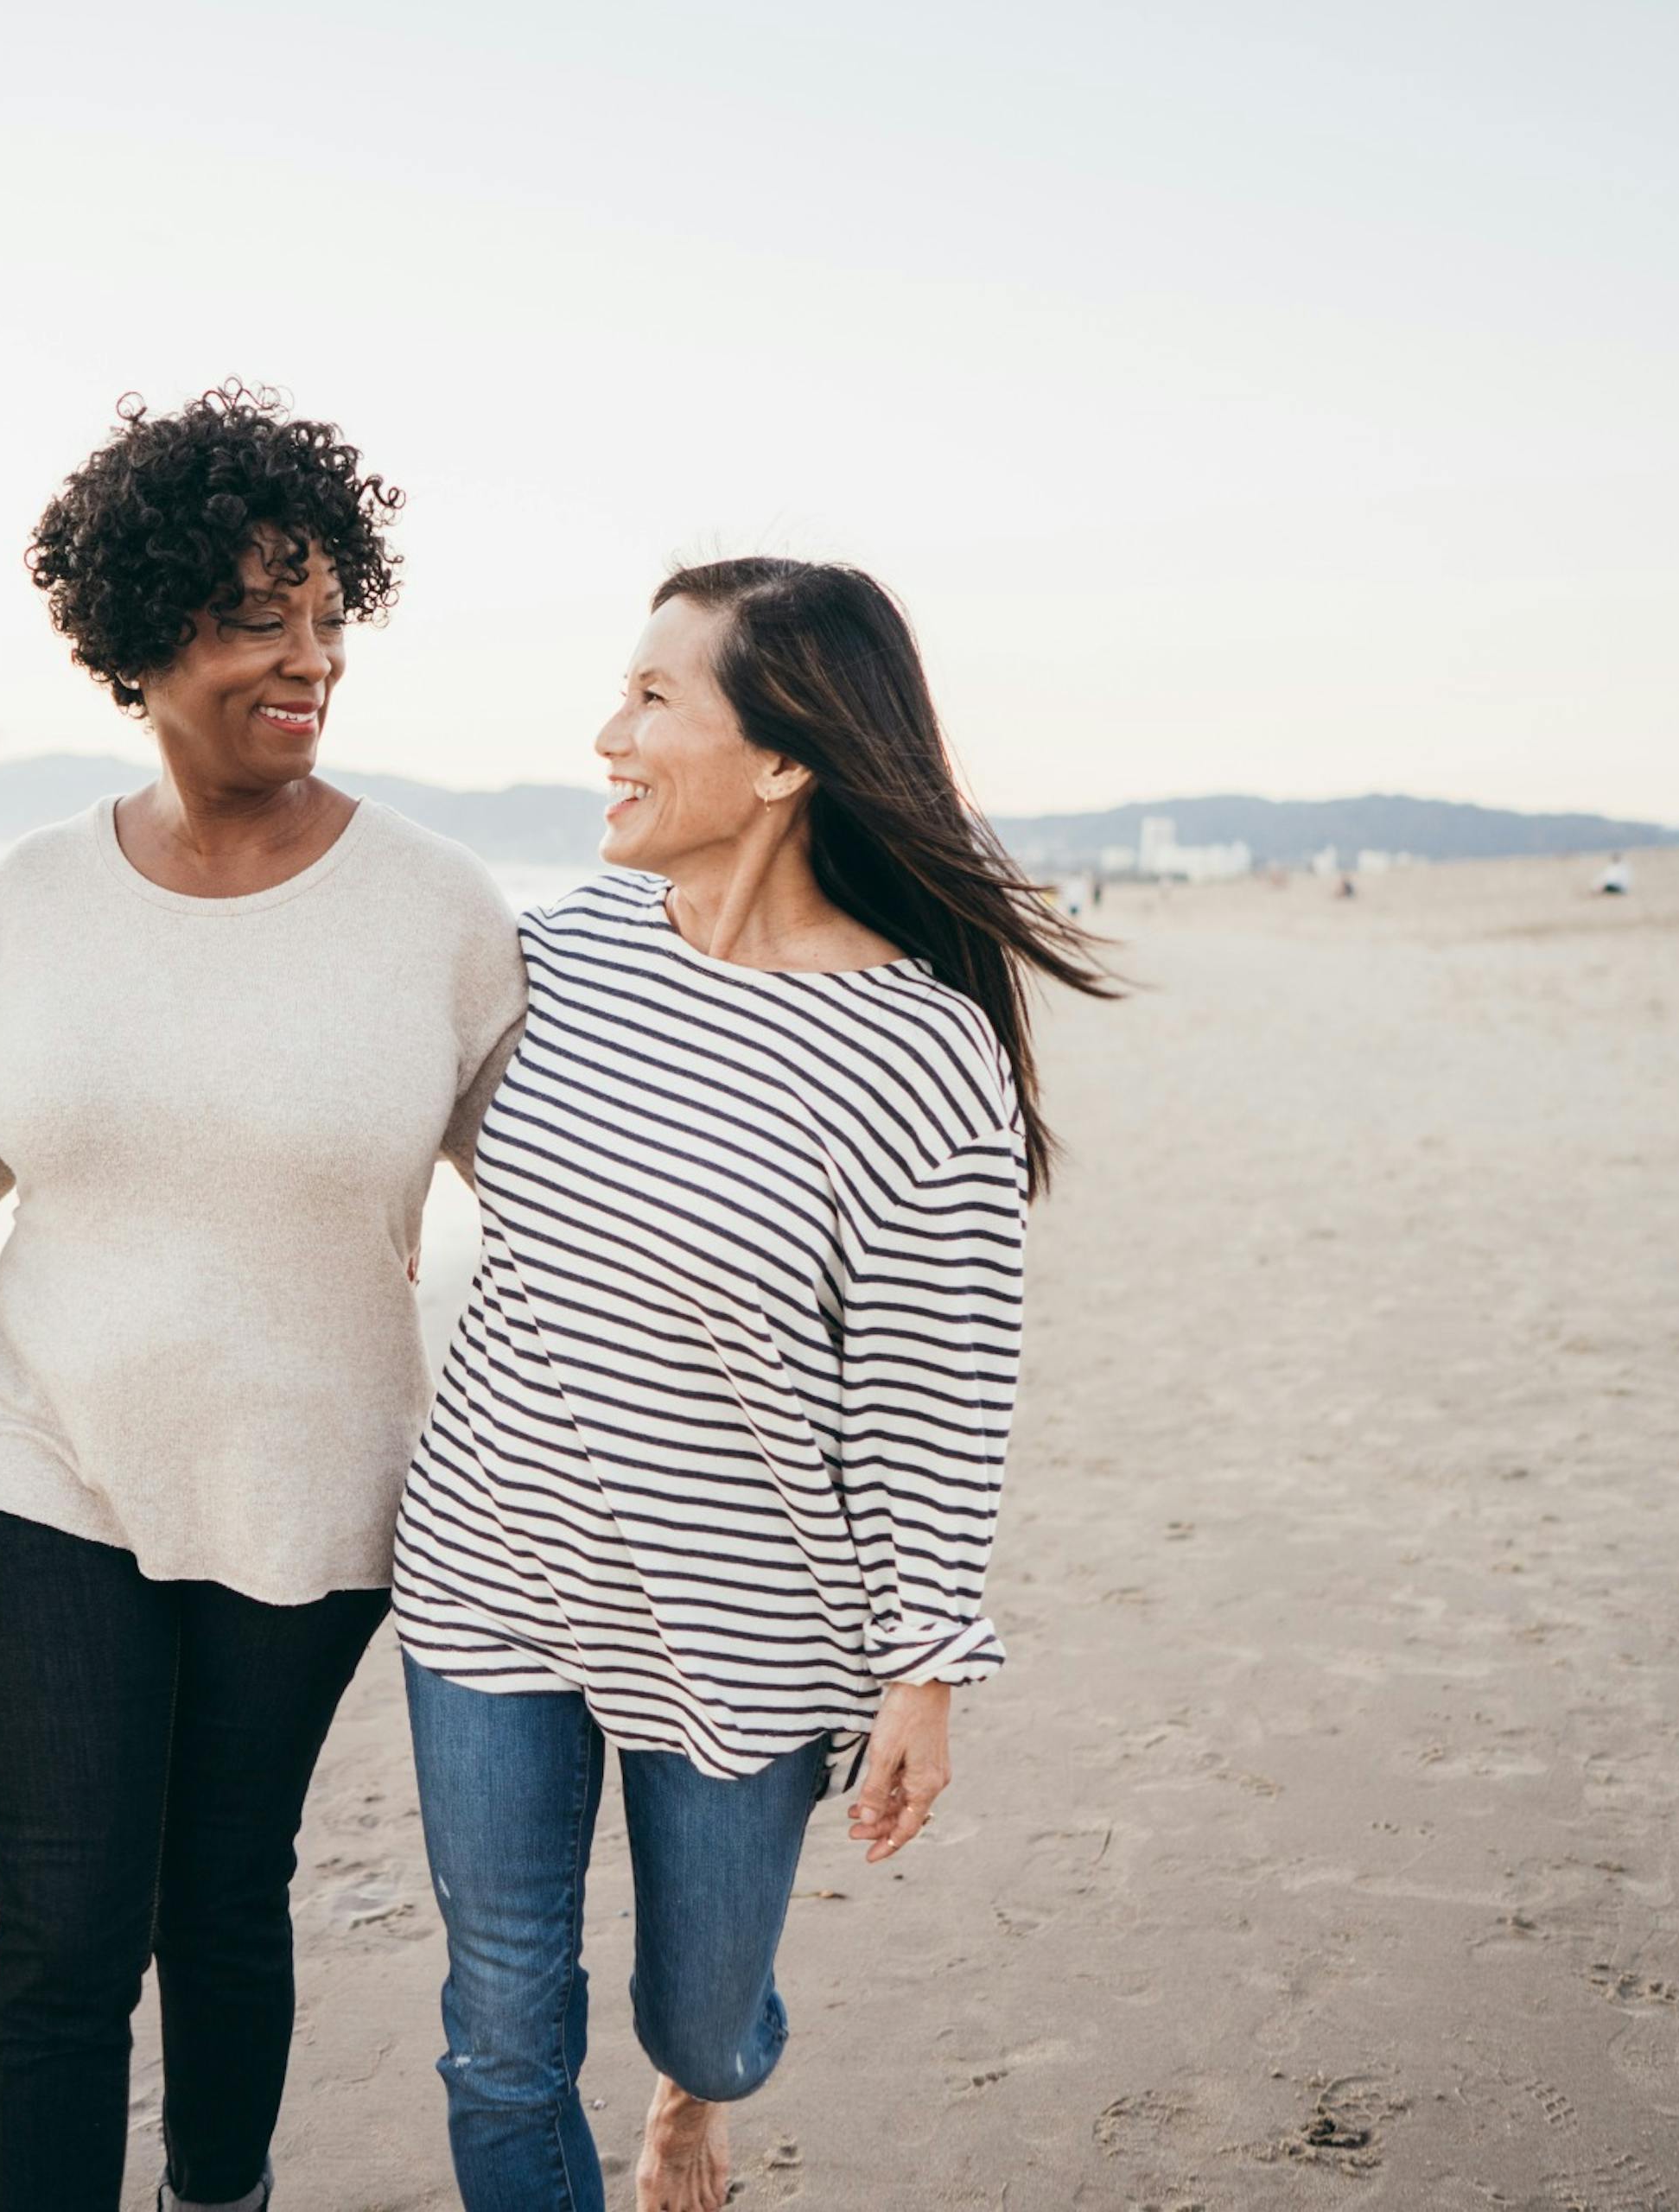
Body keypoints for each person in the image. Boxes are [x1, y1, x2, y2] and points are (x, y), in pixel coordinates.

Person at [390, 557, 1111, 2212]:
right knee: (500, 2030)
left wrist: (927, 1667)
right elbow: (344, 1099)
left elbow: (939, 1391)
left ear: (784, 760)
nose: (606, 736)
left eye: (654, 699)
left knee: (703, 2020)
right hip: (491, 1569)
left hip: (747, 1624)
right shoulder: (554, 959)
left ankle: (696, 2096)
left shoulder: (919, 1052)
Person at [0, 385, 526, 2212]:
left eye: (332, 619)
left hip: (313, 1473)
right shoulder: (31, 894)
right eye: (260, 615)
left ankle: (219, 2191)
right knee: (62, 1917)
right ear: (137, 633)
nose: (309, 659)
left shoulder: (437, 905)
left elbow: (562, 1217)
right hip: (46, 1460)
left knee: (222, 1884)